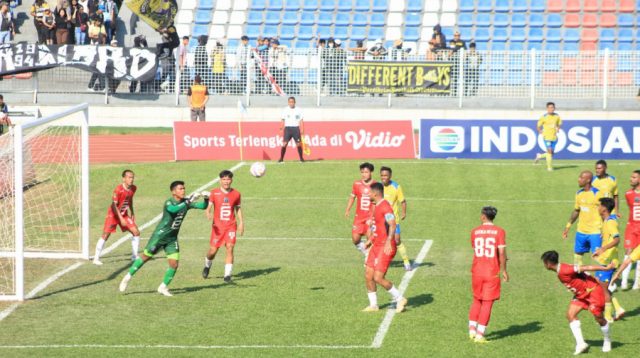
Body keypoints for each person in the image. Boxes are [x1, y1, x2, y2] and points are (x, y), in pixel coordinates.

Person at [119, 181, 208, 297]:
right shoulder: (169, 202)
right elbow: (173, 210)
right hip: (160, 236)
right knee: (146, 257)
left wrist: (206, 198)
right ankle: (127, 277)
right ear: (173, 191)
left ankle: (163, 287)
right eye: (180, 189)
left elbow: (203, 206)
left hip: (172, 239)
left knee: (174, 264)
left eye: (184, 188)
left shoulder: (185, 202)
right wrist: (189, 201)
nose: (183, 190)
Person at [541, 250, 614, 354]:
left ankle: (607, 340)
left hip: (593, 292)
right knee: (570, 315)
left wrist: (605, 268)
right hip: (581, 295)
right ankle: (581, 344)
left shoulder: (564, 269)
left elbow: (586, 267)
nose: (544, 265)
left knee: (599, 318)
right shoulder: (560, 269)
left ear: (548, 263)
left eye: (544, 262)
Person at [361, 182, 408, 313]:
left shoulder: (385, 207)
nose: (368, 194)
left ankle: (400, 298)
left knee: (378, 277)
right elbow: (379, 227)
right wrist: (370, 240)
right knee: (368, 275)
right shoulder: (377, 206)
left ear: (375, 194)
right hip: (376, 245)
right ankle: (373, 305)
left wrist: (388, 241)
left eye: (369, 192)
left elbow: (392, 224)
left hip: (385, 246)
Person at [468, 206, 508, 343]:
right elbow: (501, 253)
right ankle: (480, 335)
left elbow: (476, 249)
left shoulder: (474, 231)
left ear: (483, 216)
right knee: (487, 302)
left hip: (477, 271)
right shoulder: (500, 231)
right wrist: (504, 270)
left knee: (476, 300)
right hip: (491, 272)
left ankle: (472, 330)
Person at [202, 170, 243, 283]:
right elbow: (208, 206)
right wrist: (208, 212)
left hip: (231, 225)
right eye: (224, 179)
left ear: (231, 180)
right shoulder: (214, 193)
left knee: (230, 247)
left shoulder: (236, 194)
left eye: (228, 179)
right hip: (218, 228)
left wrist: (241, 223)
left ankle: (227, 275)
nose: (226, 182)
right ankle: (207, 265)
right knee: (213, 251)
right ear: (220, 180)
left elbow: (238, 208)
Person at [93, 170, 140, 265]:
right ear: (124, 179)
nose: (131, 179)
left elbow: (129, 199)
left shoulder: (133, 188)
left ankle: (134, 256)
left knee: (136, 232)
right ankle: (96, 258)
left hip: (124, 214)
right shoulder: (118, 189)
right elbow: (114, 205)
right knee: (106, 235)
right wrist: (121, 219)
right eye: (129, 177)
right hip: (113, 215)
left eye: (132, 177)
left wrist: (132, 212)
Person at [592, 198, 625, 322]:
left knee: (602, 289)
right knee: (599, 285)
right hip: (605, 259)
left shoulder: (611, 222)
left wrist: (602, 249)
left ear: (604, 208)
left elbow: (617, 239)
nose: (597, 207)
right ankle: (617, 308)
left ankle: (608, 316)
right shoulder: (607, 220)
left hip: (609, 262)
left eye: (599, 205)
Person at [563, 170, 604, 265]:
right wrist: (568, 226)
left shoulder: (597, 194)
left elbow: (604, 212)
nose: (578, 180)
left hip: (595, 232)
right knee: (577, 256)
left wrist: (605, 229)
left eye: (581, 178)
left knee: (599, 258)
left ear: (588, 180)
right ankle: (580, 277)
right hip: (581, 231)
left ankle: (603, 278)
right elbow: (576, 210)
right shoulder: (579, 193)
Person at [379, 167, 411, 271]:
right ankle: (379, 261)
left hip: (393, 220)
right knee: (380, 241)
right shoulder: (378, 187)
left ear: (390, 176)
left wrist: (404, 212)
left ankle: (406, 261)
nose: (384, 177)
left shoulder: (396, 187)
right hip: (381, 220)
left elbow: (403, 201)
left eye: (386, 175)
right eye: (382, 175)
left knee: (397, 240)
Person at [344, 162, 375, 257]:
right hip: (359, 218)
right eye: (362, 172)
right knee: (355, 239)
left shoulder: (376, 185)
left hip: (370, 217)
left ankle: (370, 258)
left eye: (366, 172)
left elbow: (377, 202)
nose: (364, 174)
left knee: (370, 239)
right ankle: (367, 253)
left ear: (371, 172)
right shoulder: (356, 184)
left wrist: (374, 216)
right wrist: (348, 209)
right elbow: (352, 197)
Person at [619, 169, 640, 290]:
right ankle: (624, 282)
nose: (630, 179)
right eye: (631, 177)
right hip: (631, 227)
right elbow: (630, 208)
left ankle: (637, 283)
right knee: (628, 252)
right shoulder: (628, 194)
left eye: (634, 177)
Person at [534, 102, 562, 171]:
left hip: (554, 137)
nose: (551, 109)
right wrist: (539, 131)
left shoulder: (557, 116)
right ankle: (549, 168)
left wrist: (558, 128)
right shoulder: (544, 117)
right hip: (546, 137)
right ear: (547, 108)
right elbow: (538, 126)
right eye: (549, 107)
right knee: (549, 151)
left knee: (551, 153)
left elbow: (559, 123)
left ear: (554, 108)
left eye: (552, 107)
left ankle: (539, 156)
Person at [277, 96, 305, 163]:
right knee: (284, 144)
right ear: (288, 102)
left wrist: (302, 129)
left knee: (298, 144)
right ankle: (281, 159)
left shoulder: (299, 110)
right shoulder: (285, 110)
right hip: (288, 129)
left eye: (292, 102)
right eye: (290, 102)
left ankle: (301, 159)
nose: (291, 103)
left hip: (296, 128)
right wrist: (281, 128)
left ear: (295, 102)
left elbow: (301, 120)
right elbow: (282, 119)